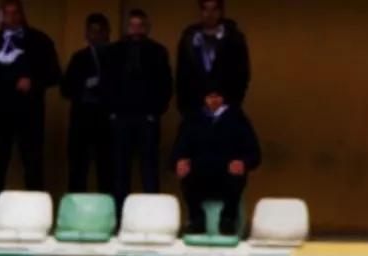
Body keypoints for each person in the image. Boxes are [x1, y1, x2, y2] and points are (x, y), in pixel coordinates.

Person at [0, 0, 61, 207]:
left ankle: (38, 213)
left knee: (33, 165)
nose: (11, 18)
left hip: (29, 114)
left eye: (15, 13)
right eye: (6, 14)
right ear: (0, 16)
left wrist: (34, 81)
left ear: (22, 15)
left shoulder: (39, 41)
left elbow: (55, 74)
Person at [103, 8, 172, 204]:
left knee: (149, 170)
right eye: (132, 26)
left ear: (147, 28)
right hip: (120, 118)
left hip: (147, 118)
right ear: (126, 27)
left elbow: (166, 84)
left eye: (140, 26)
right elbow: (106, 84)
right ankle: (120, 218)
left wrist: (155, 112)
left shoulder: (158, 52)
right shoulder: (114, 51)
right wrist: (112, 112)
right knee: (119, 171)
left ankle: (151, 216)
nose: (136, 31)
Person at [171, 85, 260, 235]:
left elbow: (254, 153)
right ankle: (197, 219)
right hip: (199, 172)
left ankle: (228, 219)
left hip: (227, 174)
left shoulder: (238, 120)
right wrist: (178, 161)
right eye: (210, 96)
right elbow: (178, 149)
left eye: (217, 96)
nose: (213, 100)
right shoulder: (192, 120)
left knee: (236, 176)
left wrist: (244, 163)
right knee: (188, 175)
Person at [60, 13, 113, 195]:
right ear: (86, 33)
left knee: (107, 169)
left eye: (100, 31)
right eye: (92, 31)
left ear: (108, 33)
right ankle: (75, 209)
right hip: (81, 121)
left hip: (107, 121)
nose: (95, 36)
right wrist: (84, 85)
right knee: (77, 168)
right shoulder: (79, 58)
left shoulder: (115, 57)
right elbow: (65, 90)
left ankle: (108, 212)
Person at [174, 0, 249, 119]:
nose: (210, 14)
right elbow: (182, 75)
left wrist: (229, 101)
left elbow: (242, 74)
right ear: (200, 11)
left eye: (214, 9)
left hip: (227, 108)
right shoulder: (189, 40)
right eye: (206, 9)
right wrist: (185, 107)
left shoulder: (234, 39)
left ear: (221, 12)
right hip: (195, 109)